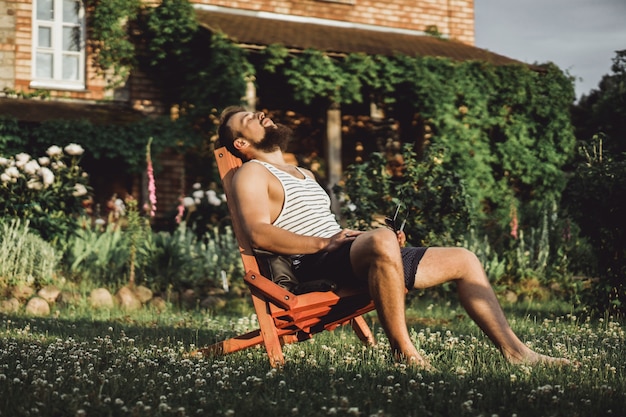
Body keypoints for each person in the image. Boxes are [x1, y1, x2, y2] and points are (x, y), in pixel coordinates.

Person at [217, 105, 569, 369]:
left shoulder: (303, 172)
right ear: (241, 142)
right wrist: (328, 243)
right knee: (382, 238)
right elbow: (259, 234)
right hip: (310, 263)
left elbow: (321, 224)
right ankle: (403, 352)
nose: (261, 114)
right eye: (249, 118)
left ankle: (517, 352)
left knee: (464, 258)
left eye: (258, 111)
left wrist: (359, 239)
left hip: (341, 252)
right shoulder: (251, 172)